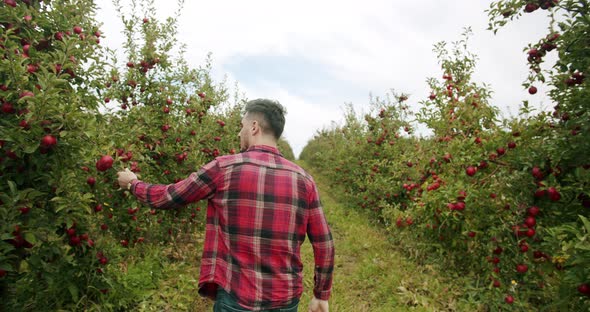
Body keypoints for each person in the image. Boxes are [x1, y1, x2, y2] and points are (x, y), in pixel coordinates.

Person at [117, 99, 334, 312]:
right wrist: (320, 295)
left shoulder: (223, 168)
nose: (239, 133)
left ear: (254, 127)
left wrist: (133, 184)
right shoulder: (304, 180)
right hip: (284, 298)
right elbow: (324, 243)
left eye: (242, 127)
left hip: (237, 296)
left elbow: (169, 196)